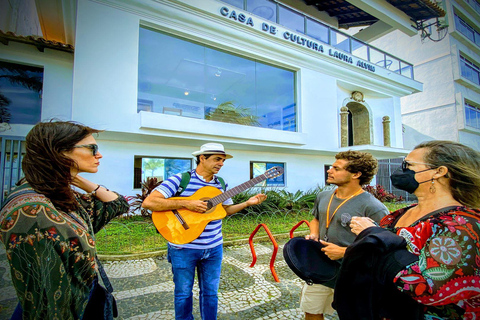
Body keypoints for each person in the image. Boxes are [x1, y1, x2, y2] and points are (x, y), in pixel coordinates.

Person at [0, 120, 130, 320]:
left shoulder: (60, 195)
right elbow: (45, 303)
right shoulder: (33, 210)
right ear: (58, 152)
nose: (99, 155)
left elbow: (118, 204)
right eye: (92, 148)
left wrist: (75, 178)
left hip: (86, 298)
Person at [347, 140, 480, 319]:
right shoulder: (399, 214)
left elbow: (429, 288)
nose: (401, 171)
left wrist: (374, 234)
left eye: (408, 165)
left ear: (439, 172)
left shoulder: (462, 225)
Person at [141, 142, 267, 320]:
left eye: (223, 160)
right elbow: (149, 202)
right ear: (202, 158)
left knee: (210, 293)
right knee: (183, 294)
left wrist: (247, 203)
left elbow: (225, 210)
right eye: (217, 159)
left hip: (214, 247)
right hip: (183, 246)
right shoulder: (180, 179)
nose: (221, 163)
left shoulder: (221, 183)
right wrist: (186, 203)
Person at [300, 150, 389, 320]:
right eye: (331, 166)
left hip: (355, 273)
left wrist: (344, 252)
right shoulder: (323, 196)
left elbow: (384, 245)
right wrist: (313, 234)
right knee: (311, 311)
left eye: (336, 168)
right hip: (320, 267)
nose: (329, 170)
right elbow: (316, 219)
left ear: (356, 174)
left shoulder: (373, 207)